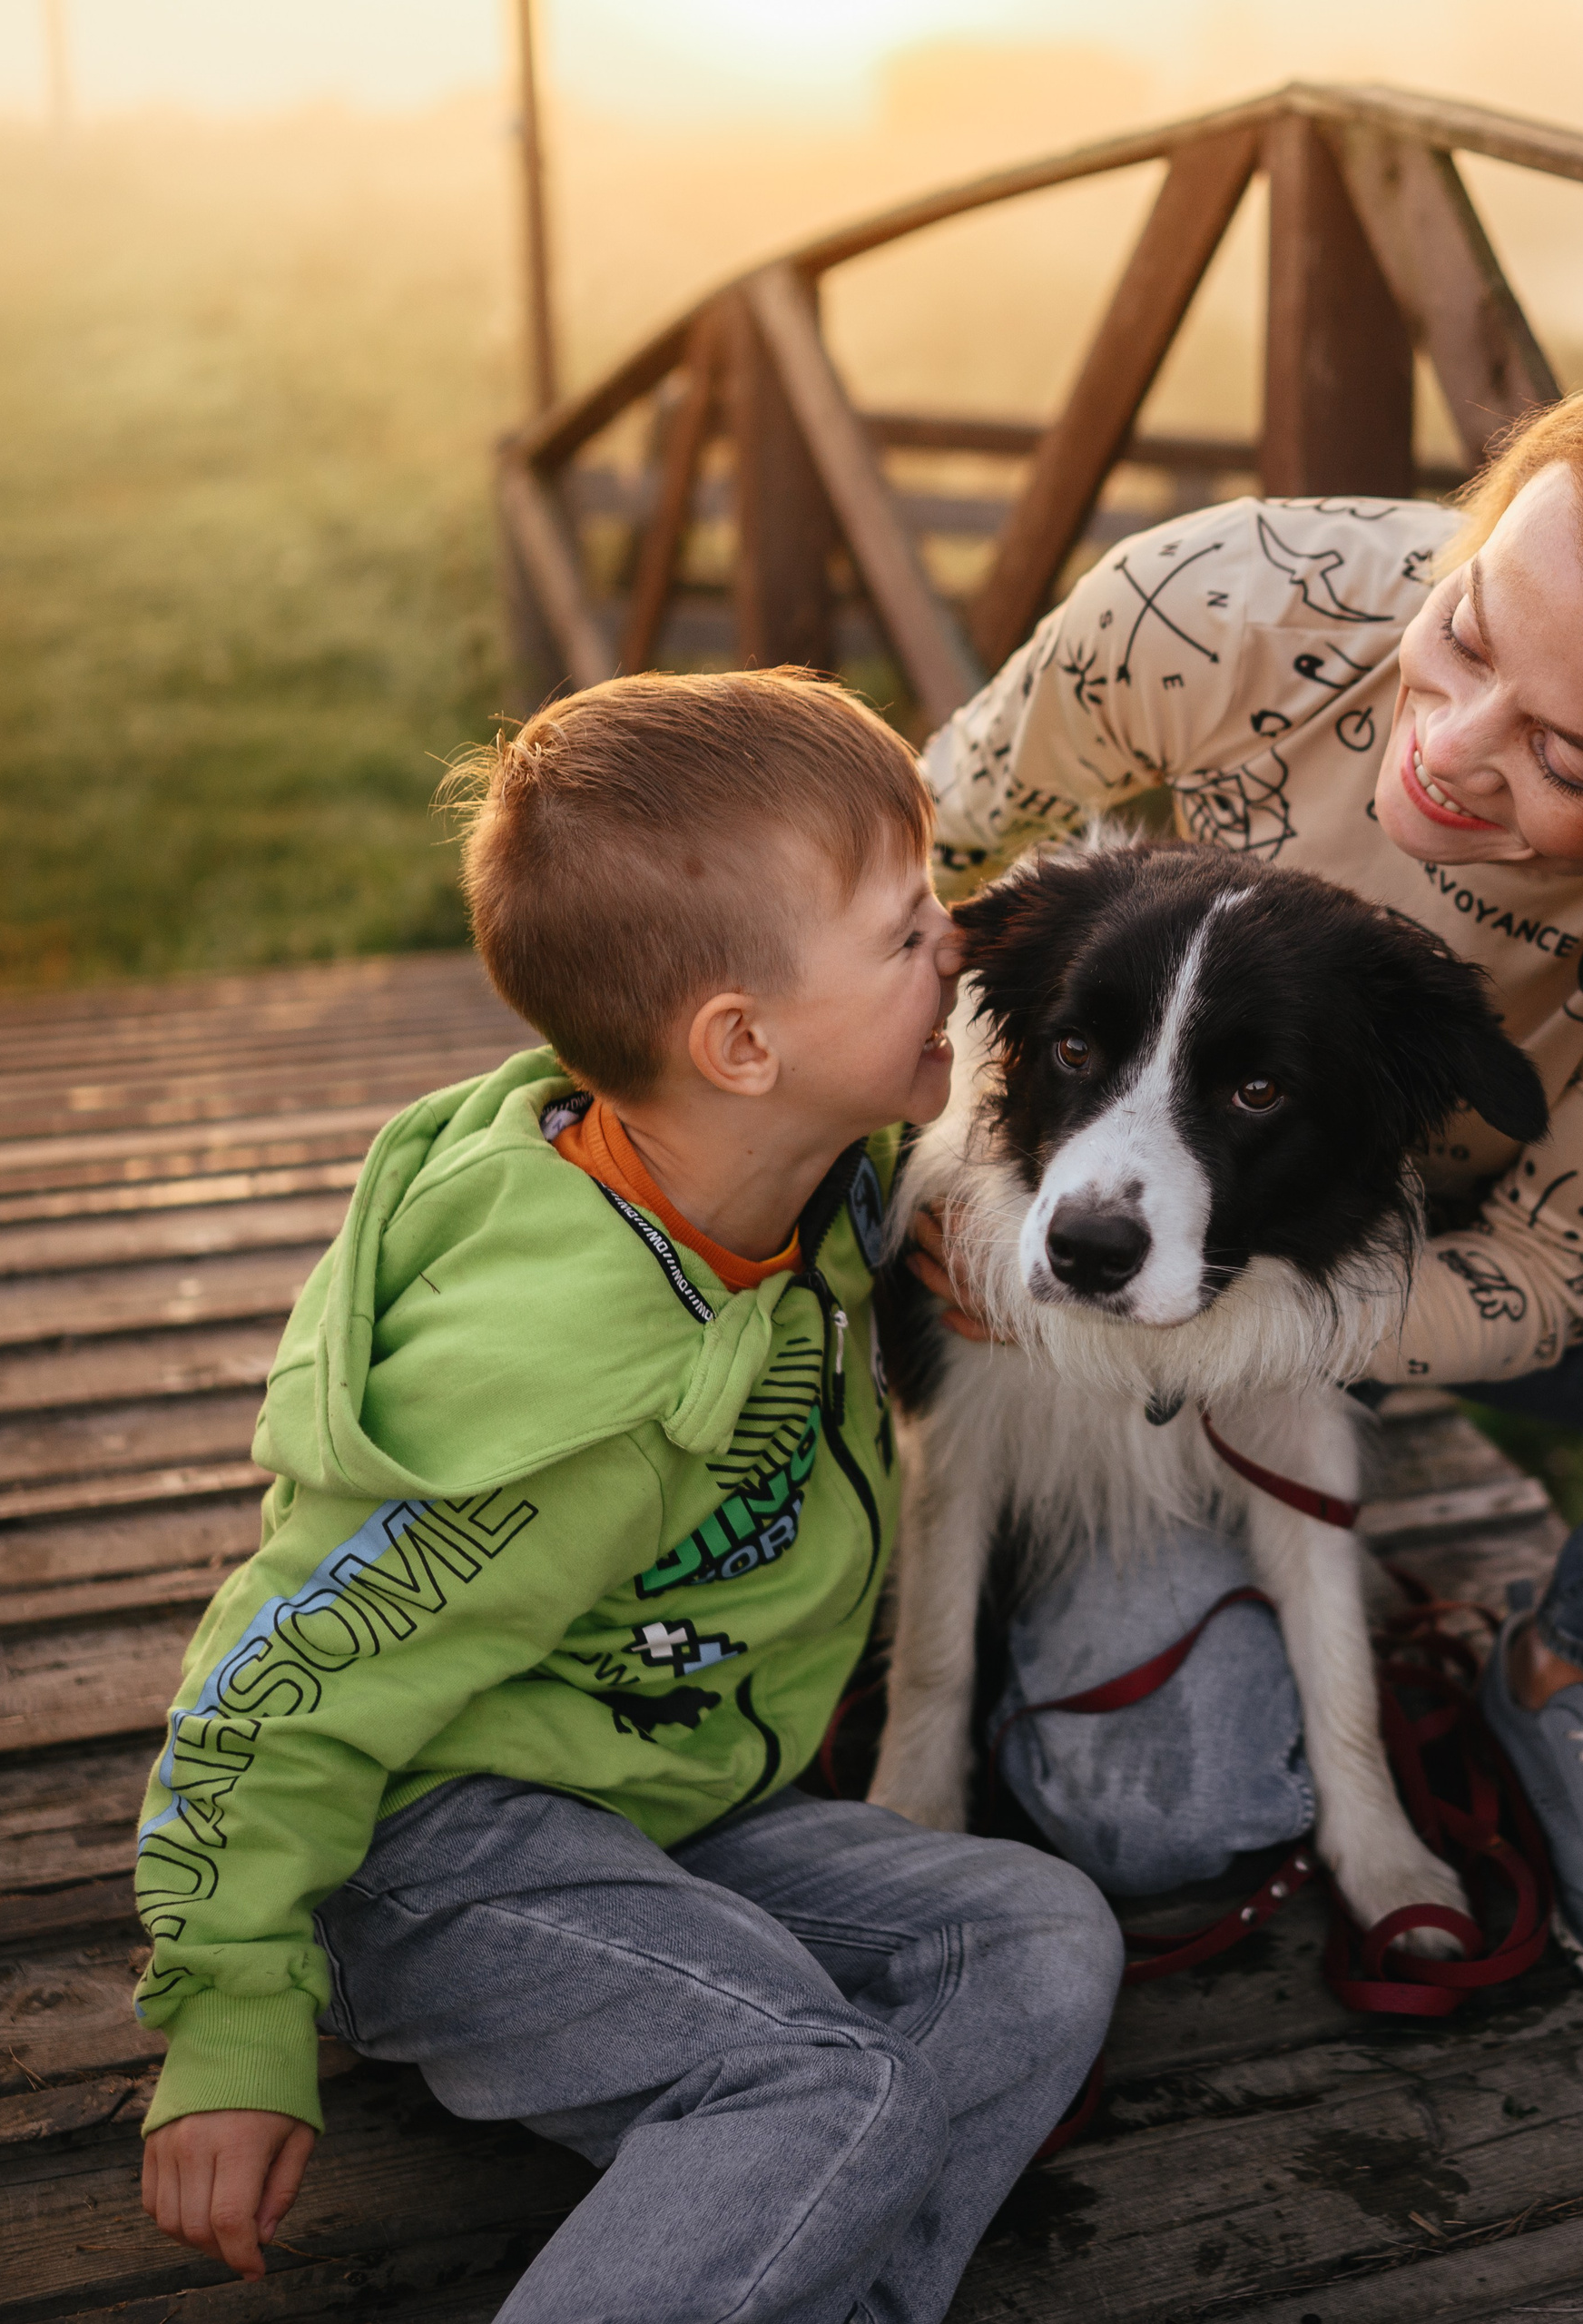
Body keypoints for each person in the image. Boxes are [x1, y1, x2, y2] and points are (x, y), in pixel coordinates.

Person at [909, 364, 1583, 2006]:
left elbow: (1553, 1273)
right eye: (1473, 632)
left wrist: (1231, 1329)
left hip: (1446, 1285)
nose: (1450, 748)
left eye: (1569, 755)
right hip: (1152, 1254)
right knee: (1162, 1815)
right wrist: (898, 1195)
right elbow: (904, 865)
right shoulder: (1215, 611)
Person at [132, 670, 1123, 2323]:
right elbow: (276, 1688)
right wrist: (231, 2019)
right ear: (743, 1045)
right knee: (830, 2090)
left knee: (1037, 1936)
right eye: (903, 934)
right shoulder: (552, 1380)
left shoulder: (794, 1170)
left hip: (665, 1801)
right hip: (437, 1850)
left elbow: (886, 1169)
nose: (959, 944)